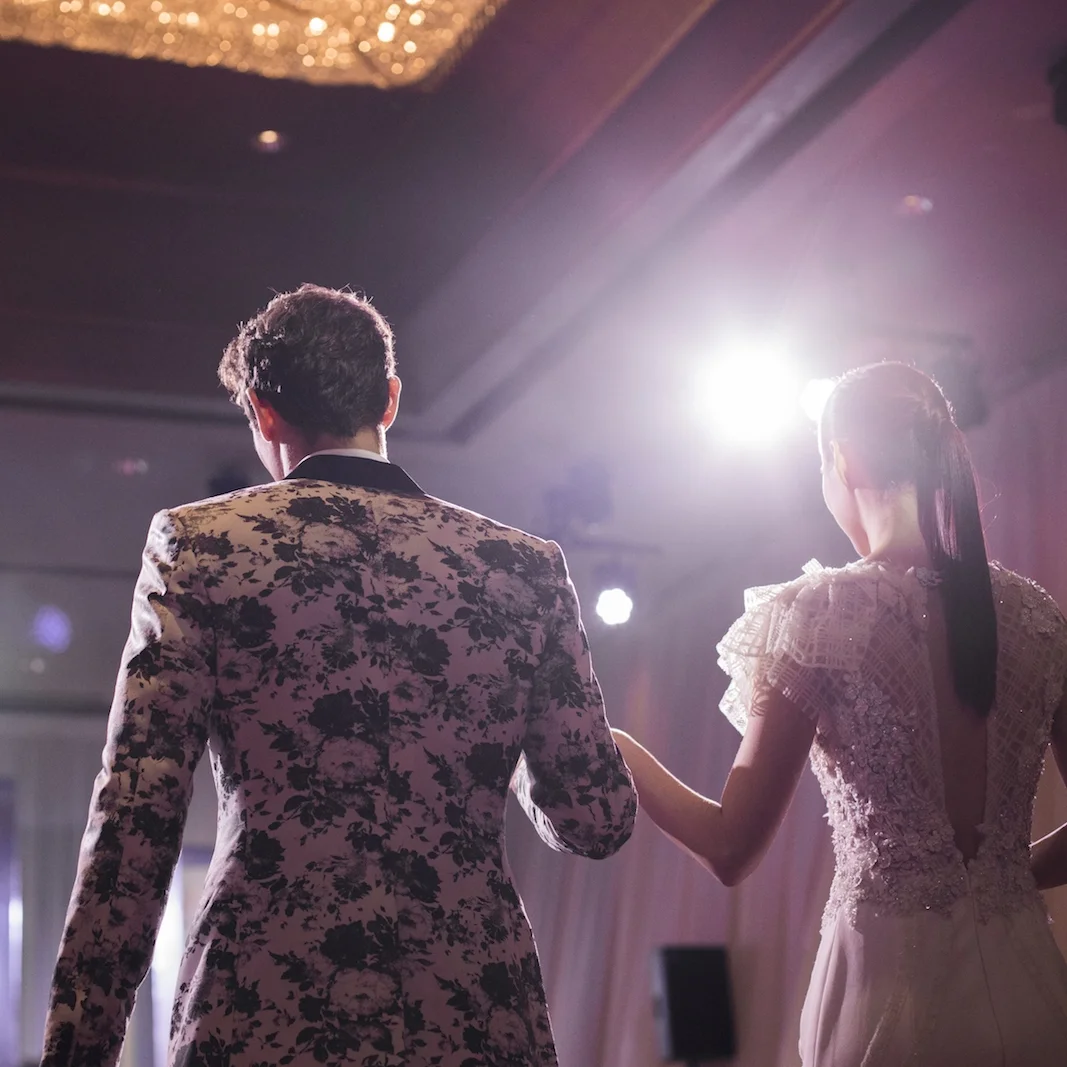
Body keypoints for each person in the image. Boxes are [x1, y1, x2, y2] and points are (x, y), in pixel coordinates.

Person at [40, 284, 637, 1067]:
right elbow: (595, 818)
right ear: (389, 399)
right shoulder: (522, 567)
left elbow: (134, 821)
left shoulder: (201, 545)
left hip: (260, 1010)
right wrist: (507, 734)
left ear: (262, 413)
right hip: (473, 1012)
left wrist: (77, 1052)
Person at [614, 361, 1067, 1066]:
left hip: (889, 1001)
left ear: (843, 459)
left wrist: (616, 746)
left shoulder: (821, 614)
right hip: (1033, 996)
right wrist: (999, 876)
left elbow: (731, 847)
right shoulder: (1037, 618)